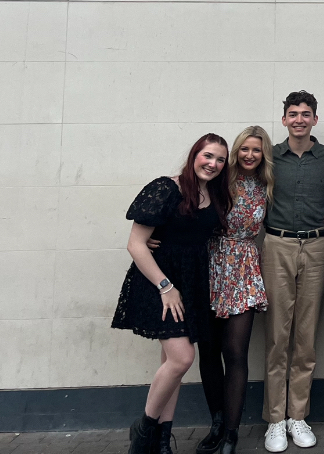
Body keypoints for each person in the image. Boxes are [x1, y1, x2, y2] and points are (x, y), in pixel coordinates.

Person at [112, 134, 231, 454]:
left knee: (171, 362)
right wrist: (166, 287)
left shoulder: (213, 194)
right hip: (159, 284)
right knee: (182, 358)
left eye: (220, 159)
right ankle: (144, 430)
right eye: (208, 156)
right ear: (194, 155)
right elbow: (136, 243)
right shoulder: (166, 187)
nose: (213, 164)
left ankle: (162, 440)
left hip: (190, 285)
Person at [260, 91, 324, 453]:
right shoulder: (270, 156)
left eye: (306, 114)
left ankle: (298, 415)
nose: (299, 119)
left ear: (315, 120)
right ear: (284, 119)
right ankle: (275, 420)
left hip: (318, 246)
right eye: (293, 113)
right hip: (277, 245)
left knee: (306, 336)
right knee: (279, 335)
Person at [194, 126, 273, 454]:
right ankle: (215, 423)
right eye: (245, 149)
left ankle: (231, 432)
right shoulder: (217, 181)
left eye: (257, 150)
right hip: (209, 267)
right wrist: (154, 237)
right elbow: (183, 208)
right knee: (208, 353)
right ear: (236, 152)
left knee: (236, 353)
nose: (250, 155)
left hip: (243, 270)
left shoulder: (268, 186)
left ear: (263, 154)